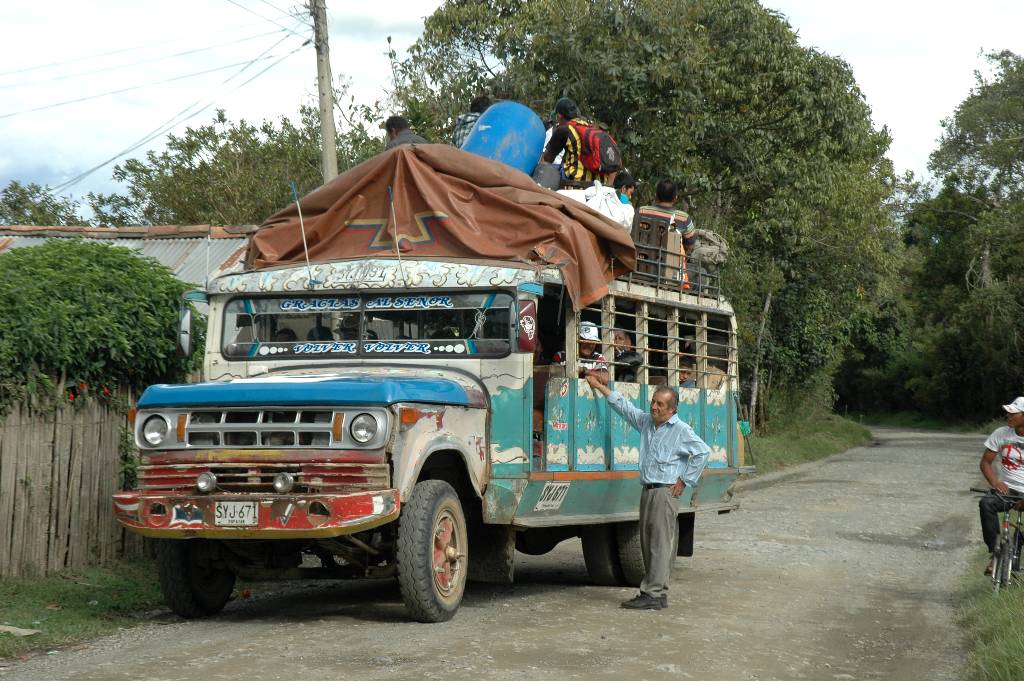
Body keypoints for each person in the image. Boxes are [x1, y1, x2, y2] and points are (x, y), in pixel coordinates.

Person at [585, 372, 710, 609]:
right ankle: (655, 593)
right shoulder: (646, 423)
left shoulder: (680, 430)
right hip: (649, 490)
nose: (654, 407)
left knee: (659, 545)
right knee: (647, 544)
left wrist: (685, 480)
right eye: (653, 402)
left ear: (672, 410)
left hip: (665, 493)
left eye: (660, 404)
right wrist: (600, 387)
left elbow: (703, 452)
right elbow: (624, 408)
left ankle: (653, 594)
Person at [979, 397, 1024, 575]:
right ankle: (995, 553)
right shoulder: (1001, 433)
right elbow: (985, 463)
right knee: (986, 503)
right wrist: (996, 482)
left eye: (1014, 412)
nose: (1009, 415)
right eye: (1008, 412)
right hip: (1008, 490)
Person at [540, 97, 615, 187]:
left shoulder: (564, 129)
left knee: (543, 168)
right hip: (598, 185)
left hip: (574, 182)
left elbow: (547, 159)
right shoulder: (592, 129)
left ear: (559, 116)